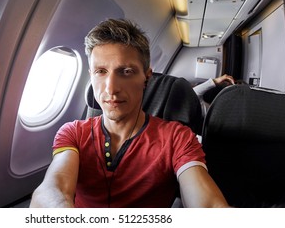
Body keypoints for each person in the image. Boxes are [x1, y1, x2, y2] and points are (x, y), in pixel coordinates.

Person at [30, 18, 229, 208]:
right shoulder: (73, 133)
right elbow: (53, 189)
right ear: (91, 75)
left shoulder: (177, 138)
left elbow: (207, 204)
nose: (111, 88)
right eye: (101, 71)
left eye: (126, 71)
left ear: (146, 78)